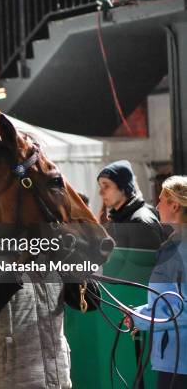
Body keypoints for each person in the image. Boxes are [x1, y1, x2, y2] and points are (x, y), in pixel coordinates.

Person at [126, 176, 187, 388]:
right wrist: (139, 312)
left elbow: (183, 309)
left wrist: (139, 318)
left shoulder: (182, 250)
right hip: (174, 359)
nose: (157, 205)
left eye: (161, 200)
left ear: (175, 205)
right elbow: (169, 302)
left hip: (180, 363)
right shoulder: (173, 246)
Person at [97, 160, 166, 250]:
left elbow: (144, 263)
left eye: (106, 186)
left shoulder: (140, 223)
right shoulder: (120, 219)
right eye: (100, 186)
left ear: (123, 187)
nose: (100, 192)